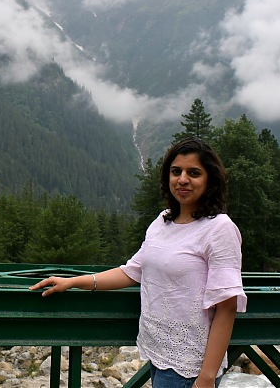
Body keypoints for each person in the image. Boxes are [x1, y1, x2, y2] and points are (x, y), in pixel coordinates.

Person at [30, 137, 246, 388]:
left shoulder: (219, 228)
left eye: (194, 173)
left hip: (189, 366)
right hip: (157, 353)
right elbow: (132, 271)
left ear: (210, 180)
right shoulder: (163, 221)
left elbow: (227, 307)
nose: (183, 179)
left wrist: (206, 377)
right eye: (176, 172)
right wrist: (73, 282)